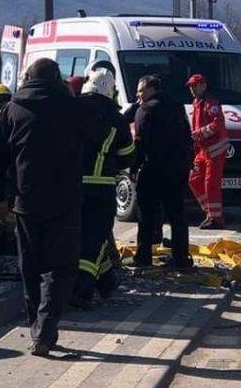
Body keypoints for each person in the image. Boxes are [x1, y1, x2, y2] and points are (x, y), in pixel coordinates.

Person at [0, 58, 97, 356]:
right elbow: (97, 140)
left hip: (26, 202)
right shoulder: (74, 109)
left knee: (30, 265)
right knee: (59, 267)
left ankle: (38, 328)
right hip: (65, 200)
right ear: (57, 79)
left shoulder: (11, 110)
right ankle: (45, 329)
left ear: (27, 78)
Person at [73, 67, 134, 308]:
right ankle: (82, 290)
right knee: (95, 239)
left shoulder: (72, 109)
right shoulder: (116, 118)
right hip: (101, 188)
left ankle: (107, 282)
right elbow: (128, 155)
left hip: (69, 186)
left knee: (79, 234)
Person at [131, 74, 193, 269]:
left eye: (140, 90)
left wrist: (133, 167)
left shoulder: (146, 110)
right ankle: (181, 258)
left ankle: (143, 257)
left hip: (153, 170)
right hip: (176, 171)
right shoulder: (177, 107)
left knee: (146, 217)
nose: (137, 94)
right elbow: (187, 139)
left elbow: (141, 143)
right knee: (178, 217)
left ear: (151, 89)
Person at [187, 73, 229, 230]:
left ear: (203, 85)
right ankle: (210, 213)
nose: (192, 89)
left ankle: (216, 219)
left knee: (211, 183)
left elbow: (217, 124)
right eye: (191, 86)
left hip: (215, 150)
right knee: (194, 179)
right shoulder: (196, 103)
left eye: (195, 86)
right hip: (203, 150)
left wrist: (198, 134)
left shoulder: (211, 103)